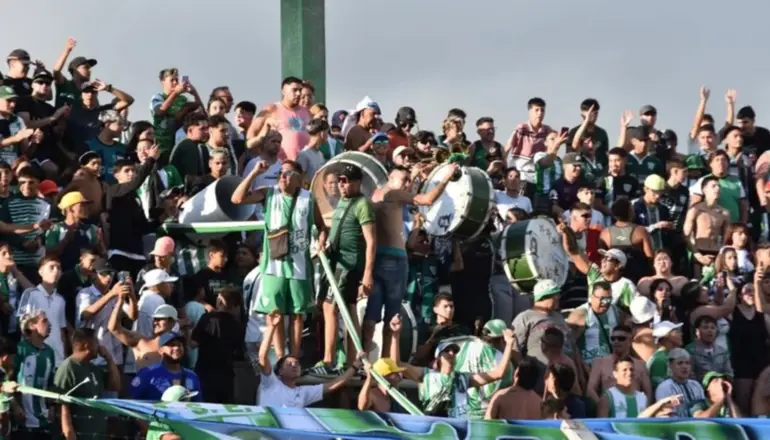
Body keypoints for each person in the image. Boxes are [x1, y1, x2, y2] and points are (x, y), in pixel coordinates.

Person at [231, 160, 328, 358]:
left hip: (299, 265)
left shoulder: (308, 198)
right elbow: (237, 199)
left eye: (288, 173)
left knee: (297, 314)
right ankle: (282, 357)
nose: (282, 176)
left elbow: (321, 226)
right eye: (280, 172)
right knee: (275, 313)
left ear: (299, 178)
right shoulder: (269, 193)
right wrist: (254, 173)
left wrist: (321, 242)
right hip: (273, 265)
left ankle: (294, 357)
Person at [367, 164, 458, 357]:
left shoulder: (374, 195)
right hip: (395, 258)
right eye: (405, 180)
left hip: (377, 257)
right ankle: (385, 360)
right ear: (391, 178)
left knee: (371, 315)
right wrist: (447, 177)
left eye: (409, 180)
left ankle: (362, 360)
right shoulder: (394, 194)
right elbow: (428, 199)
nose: (407, 184)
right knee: (392, 315)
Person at [316, 164, 375, 374]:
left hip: (348, 264)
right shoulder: (343, 201)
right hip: (335, 262)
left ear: (358, 182)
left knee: (330, 306)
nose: (342, 185)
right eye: (340, 180)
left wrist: (367, 274)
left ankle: (328, 361)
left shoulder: (362, 204)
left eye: (346, 181)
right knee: (349, 310)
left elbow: (371, 241)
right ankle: (352, 363)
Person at [256, 311, 362, 408]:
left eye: (297, 364)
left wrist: (354, 367)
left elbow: (333, 385)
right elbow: (262, 357)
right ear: (280, 371)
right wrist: (271, 327)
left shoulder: (304, 392)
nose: (294, 365)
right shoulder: (270, 383)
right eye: (289, 364)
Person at [54, 328, 121, 440]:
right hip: (80, 434)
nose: (99, 346)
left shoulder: (93, 368)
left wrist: (109, 359)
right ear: (87, 345)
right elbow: (60, 405)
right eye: (96, 342)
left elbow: (115, 386)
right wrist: (69, 433)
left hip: (97, 434)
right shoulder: (68, 368)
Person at [512, 280, 575, 393]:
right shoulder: (525, 317)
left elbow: (572, 346)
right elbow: (515, 350)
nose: (558, 297)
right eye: (555, 295)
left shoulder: (559, 317)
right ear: (543, 296)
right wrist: (526, 375)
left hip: (565, 382)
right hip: (538, 382)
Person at [190, 287, 244, 403]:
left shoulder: (208, 318)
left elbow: (193, 343)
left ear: (219, 301)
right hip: (227, 373)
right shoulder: (237, 324)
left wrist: (187, 331)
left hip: (206, 372)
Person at [16, 256, 68, 367]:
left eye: (58, 268)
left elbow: (61, 330)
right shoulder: (30, 294)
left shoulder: (60, 300)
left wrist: (64, 354)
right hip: (35, 355)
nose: (56, 271)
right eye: (51, 267)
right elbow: (23, 326)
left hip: (58, 357)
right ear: (41, 271)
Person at [14, 308, 56, 439]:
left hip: (44, 421)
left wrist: (52, 406)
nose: (50, 324)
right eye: (44, 321)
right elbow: (7, 380)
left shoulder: (50, 352)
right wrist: (15, 406)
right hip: (23, 421)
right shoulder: (20, 349)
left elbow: (50, 383)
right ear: (32, 325)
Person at [246, 76, 310, 161]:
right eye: (294, 90)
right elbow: (251, 132)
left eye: (300, 90)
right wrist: (258, 152)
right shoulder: (272, 109)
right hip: (280, 163)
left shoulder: (306, 111)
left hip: (304, 163)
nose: (298, 94)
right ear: (283, 91)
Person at [130, 331, 202, 401]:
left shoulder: (192, 376)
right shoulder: (147, 374)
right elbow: (131, 401)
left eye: (179, 345)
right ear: (160, 350)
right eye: (171, 345)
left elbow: (199, 405)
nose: (176, 348)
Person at [567, 281, 619, 368]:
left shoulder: (615, 311)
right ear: (592, 297)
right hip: (588, 367)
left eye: (609, 299)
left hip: (610, 367)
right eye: (602, 299)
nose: (605, 303)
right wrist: (582, 370)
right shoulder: (580, 315)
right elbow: (570, 346)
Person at [647, 321, 683, 388]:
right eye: (677, 331)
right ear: (667, 335)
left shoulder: (667, 356)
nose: (681, 334)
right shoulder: (660, 359)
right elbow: (660, 387)